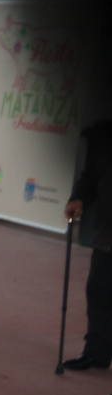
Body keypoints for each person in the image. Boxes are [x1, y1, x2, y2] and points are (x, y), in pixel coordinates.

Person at [61, 120, 112, 370]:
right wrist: (78, 197)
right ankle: (97, 352)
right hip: (108, 229)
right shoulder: (103, 135)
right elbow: (91, 175)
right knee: (99, 290)